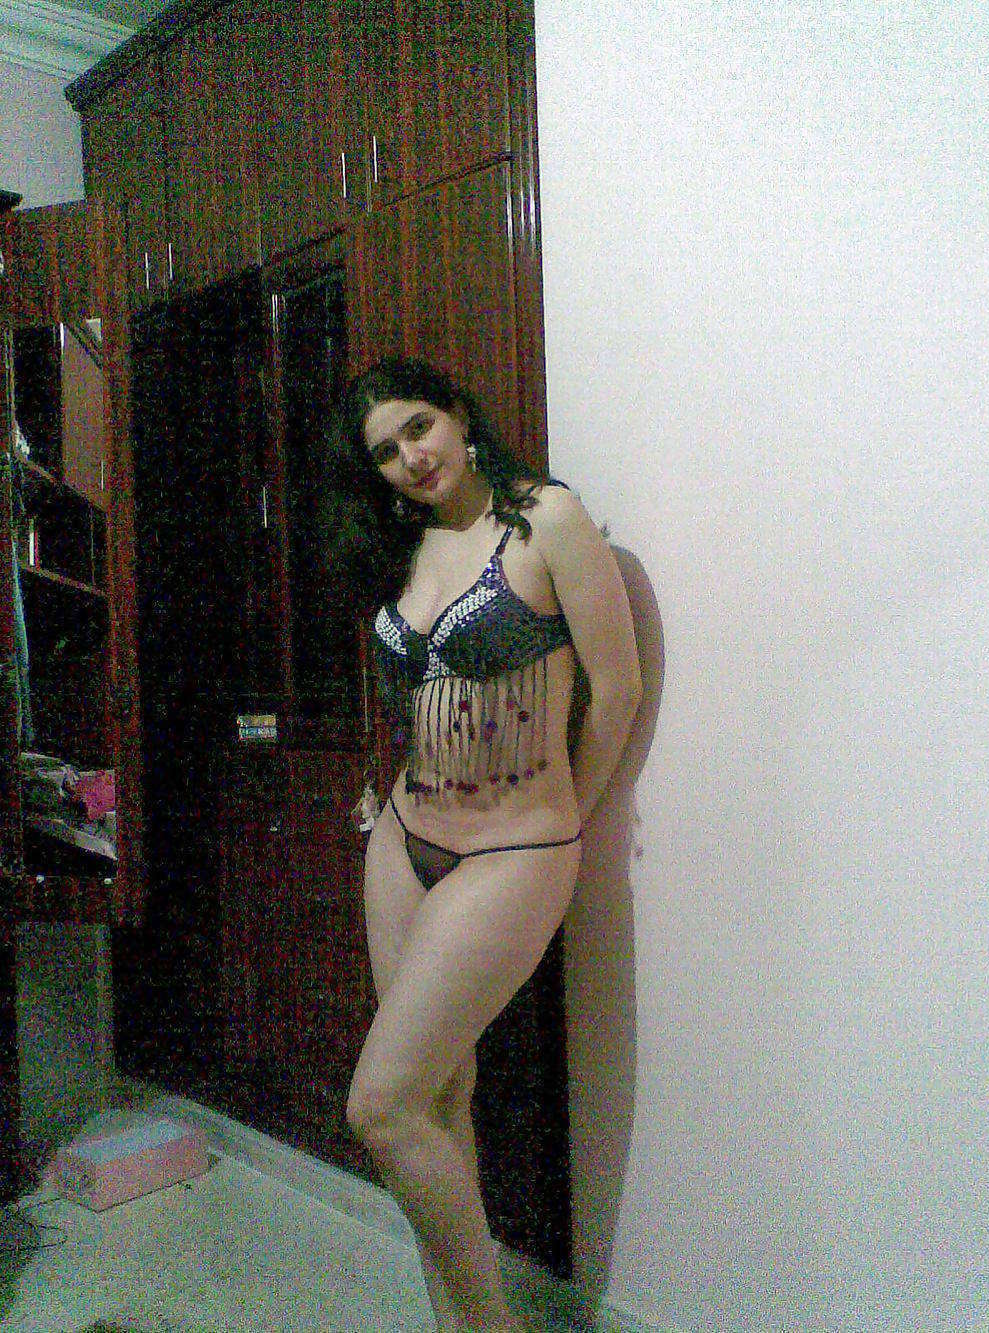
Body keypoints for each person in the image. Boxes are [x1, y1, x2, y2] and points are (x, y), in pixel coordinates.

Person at [339, 356, 641, 1332]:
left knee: (379, 1107)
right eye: (385, 451)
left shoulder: (546, 519)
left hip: (513, 851)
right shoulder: (409, 545)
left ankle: (492, 1326)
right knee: (435, 1098)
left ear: (460, 416)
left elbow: (617, 689)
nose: (409, 457)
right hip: (404, 838)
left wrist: (564, 821)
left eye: (418, 427)